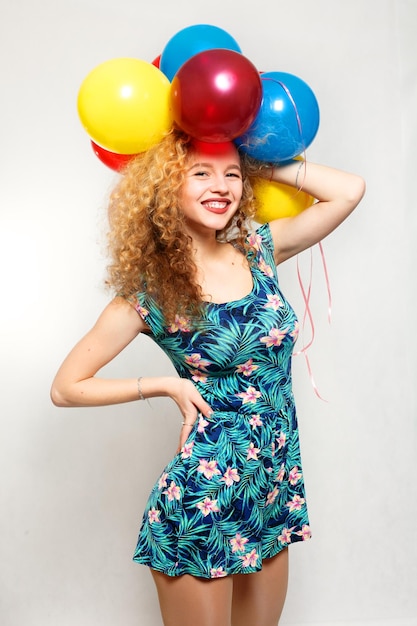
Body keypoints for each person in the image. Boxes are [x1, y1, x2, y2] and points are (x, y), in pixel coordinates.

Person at [51, 127, 365, 626]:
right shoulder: (149, 294)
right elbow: (66, 387)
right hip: (204, 496)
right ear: (165, 185)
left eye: (232, 176)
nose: (221, 187)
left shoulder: (260, 250)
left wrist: (254, 158)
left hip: (271, 484)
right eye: (200, 173)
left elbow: (349, 190)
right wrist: (164, 385)